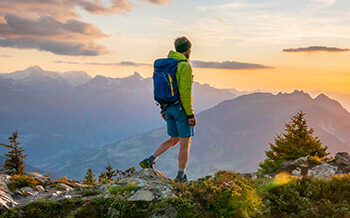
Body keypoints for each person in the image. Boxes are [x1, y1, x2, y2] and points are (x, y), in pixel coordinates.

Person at [139, 36, 196, 182]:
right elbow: (185, 93)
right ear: (188, 50)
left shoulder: (167, 64)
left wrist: (164, 110)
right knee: (185, 141)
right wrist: (190, 114)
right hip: (180, 108)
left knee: (174, 138)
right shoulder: (184, 66)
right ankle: (180, 176)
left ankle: (151, 159)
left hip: (167, 107)